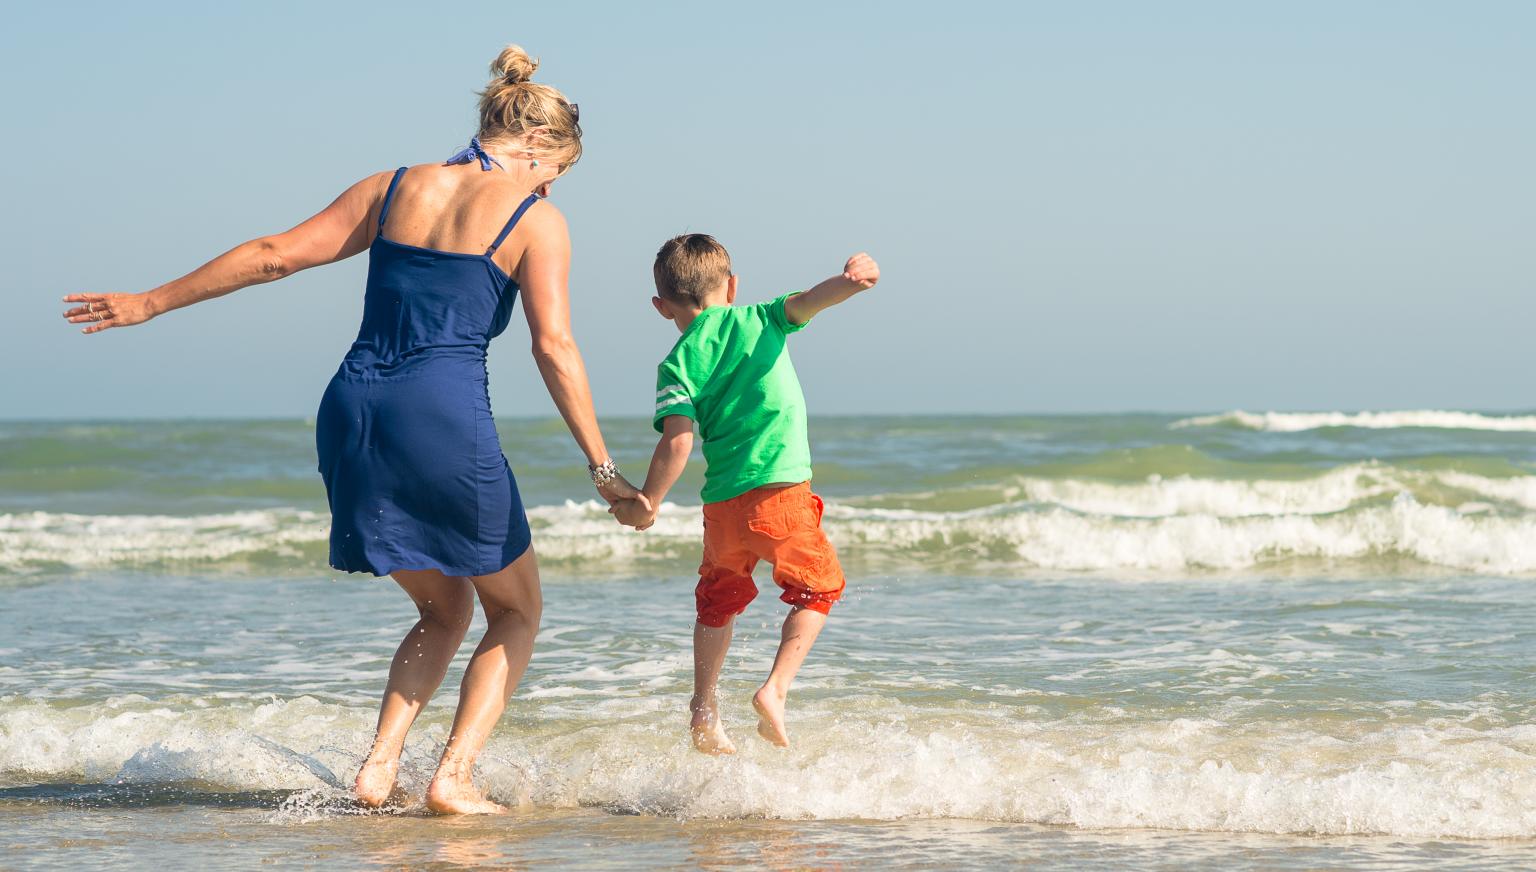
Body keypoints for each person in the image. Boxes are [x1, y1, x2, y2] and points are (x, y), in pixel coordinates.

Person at [60, 45, 646, 814]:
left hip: (352, 409)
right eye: (558, 170)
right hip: (441, 410)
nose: (556, 185)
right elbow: (554, 346)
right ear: (538, 147)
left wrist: (150, 302)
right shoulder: (538, 220)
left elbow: (274, 256)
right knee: (516, 610)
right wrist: (606, 472)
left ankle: (378, 769)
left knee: (443, 608)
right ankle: (454, 778)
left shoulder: (392, 187)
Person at [610, 234, 880, 754]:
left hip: (722, 507)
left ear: (661, 307)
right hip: (779, 494)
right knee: (818, 589)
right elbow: (810, 301)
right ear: (731, 286)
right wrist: (849, 283)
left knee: (717, 605)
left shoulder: (676, 363)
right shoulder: (760, 318)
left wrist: (649, 500)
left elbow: (678, 440)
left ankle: (704, 710)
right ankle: (774, 690)